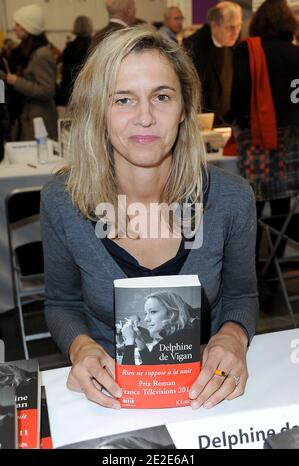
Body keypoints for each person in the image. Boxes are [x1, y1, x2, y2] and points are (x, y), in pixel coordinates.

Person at [40, 26, 258, 411]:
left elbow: (241, 295)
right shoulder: (63, 202)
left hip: (208, 396)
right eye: (123, 99)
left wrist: (233, 337)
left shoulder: (230, 199)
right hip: (109, 399)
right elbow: (62, 303)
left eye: (161, 96)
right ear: (97, 111)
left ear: (185, 108)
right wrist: (82, 347)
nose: (145, 118)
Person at [230, 0, 299, 261]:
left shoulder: (248, 52)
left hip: (258, 138)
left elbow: (239, 94)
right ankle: (275, 263)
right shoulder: (296, 54)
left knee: (255, 204)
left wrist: (233, 119)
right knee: (284, 204)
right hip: (293, 141)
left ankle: (255, 269)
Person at [4, 4, 58, 140]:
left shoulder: (41, 54)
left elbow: (47, 90)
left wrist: (16, 81)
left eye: (18, 24)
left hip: (39, 121)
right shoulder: (25, 51)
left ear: (28, 27)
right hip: (28, 117)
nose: (14, 28)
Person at [183, 1, 242, 125]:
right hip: (203, 121)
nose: (235, 32)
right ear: (214, 25)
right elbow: (191, 93)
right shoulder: (194, 47)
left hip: (228, 120)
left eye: (239, 26)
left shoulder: (236, 44)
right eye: (230, 27)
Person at [121, 291, 200, 365]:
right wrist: (139, 339)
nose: (146, 319)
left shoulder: (173, 341)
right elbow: (151, 363)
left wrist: (129, 340)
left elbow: (128, 375)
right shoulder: (184, 335)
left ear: (172, 313)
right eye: (146, 313)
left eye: (153, 312)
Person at [59, 16, 93, 106]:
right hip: (90, 93)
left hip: (72, 93)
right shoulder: (94, 46)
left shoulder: (69, 48)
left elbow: (65, 74)